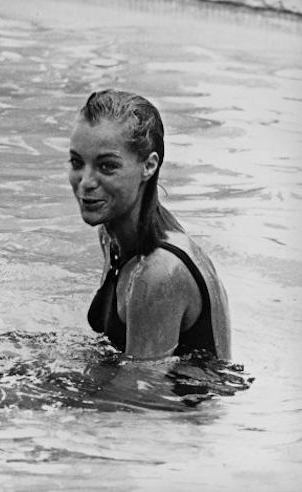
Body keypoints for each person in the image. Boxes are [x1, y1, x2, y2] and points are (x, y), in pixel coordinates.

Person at [68, 89, 231, 360]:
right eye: (77, 162)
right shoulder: (112, 234)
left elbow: (141, 384)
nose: (86, 182)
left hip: (172, 390)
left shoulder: (158, 273)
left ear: (149, 166)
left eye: (107, 166)